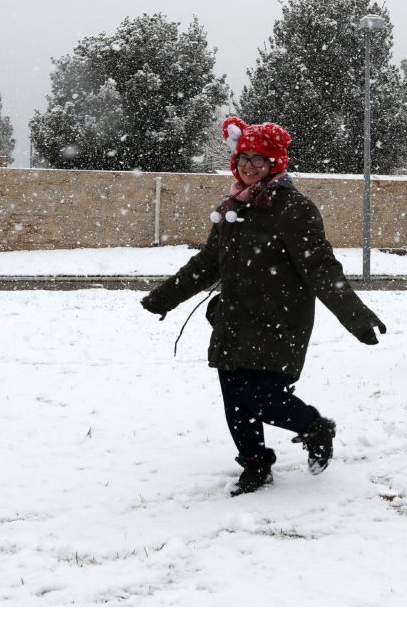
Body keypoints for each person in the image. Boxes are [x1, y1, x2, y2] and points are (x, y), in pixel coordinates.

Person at [139, 117, 386, 495]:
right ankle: (255, 463)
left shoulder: (294, 209)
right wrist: (165, 297)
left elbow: (321, 267)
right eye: (244, 158)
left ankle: (315, 427)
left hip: (279, 320)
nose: (249, 166)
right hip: (234, 318)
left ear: (276, 164)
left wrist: (355, 316)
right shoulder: (230, 208)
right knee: (235, 400)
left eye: (259, 159)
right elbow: (208, 263)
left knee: (265, 400)